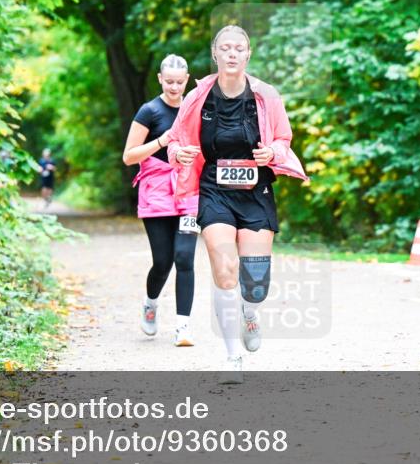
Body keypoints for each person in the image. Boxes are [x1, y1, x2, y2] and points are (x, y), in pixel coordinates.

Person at [166, 25, 308, 383]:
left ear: (248, 55)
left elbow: (283, 139)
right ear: (215, 54)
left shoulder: (266, 95)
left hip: (255, 190)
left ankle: (251, 311)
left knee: (255, 282)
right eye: (225, 48)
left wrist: (271, 152)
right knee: (224, 268)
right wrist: (178, 153)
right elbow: (176, 140)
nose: (232, 54)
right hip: (214, 187)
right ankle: (232, 357)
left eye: (239, 48)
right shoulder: (198, 96)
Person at [122, 54, 200, 347]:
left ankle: (183, 327)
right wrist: (161, 141)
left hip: (188, 189)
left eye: (180, 82)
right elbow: (129, 156)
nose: (174, 87)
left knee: (185, 258)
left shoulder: (193, 110)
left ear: (187, 80)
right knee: (163, 261)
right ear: (159, 79)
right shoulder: (149, 111)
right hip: (156, 190)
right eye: (169, 82)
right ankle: (151, 303)